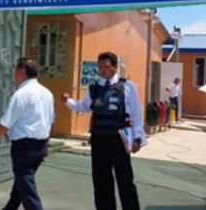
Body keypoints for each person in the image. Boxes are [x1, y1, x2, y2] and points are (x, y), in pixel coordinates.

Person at [61, 51, 146, 210]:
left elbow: (137, 113)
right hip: (99, 139)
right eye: (100, 67)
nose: (102, 70)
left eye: (106, 66)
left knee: (125, 180)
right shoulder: (94, 88)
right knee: (101, 181)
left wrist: (138, 137)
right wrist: (68, 101)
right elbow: (84, 106)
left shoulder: (127, 86)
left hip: (119, 138)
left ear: (114, 67)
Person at [0, 57, 55, 210]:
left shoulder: (21, 94)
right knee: (21, 185)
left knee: (27, 187)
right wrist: (46, 144)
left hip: (24, 147)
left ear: (22, 72)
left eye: (15, 71)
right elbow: (50, 121)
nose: (14, 75)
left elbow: (5, 124)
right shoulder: (47, 93)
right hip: (40, 146)